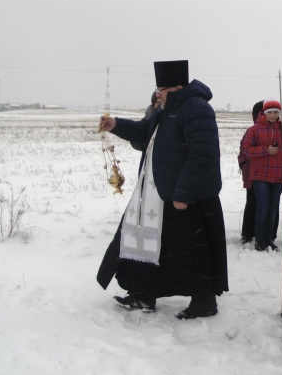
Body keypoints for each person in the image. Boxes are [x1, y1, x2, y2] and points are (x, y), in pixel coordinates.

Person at [96, 60, 228, 320]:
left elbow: (202, 155)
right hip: (158, 195)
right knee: (150, 247)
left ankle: (204, 303)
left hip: (189, 198)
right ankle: (143, 292)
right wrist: (116, 125)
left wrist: (183, 193)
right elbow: (144, 131)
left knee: (194, 253)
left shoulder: (197, 109)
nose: (158, 95)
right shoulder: (167, 110)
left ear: (178, 87)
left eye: (162, 90)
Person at [241, 97, 282, 251]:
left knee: (273, 208)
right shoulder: (255, 129)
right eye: (270, 112)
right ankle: (259, 240)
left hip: (278, 175)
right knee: (263, 207)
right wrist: (265, 150)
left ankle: (269, 238)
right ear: (264, 112)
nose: (272, 115)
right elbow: (246, 149)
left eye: (275, 112)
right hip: (260, 176)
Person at [237, 101, 264, 244]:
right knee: (253, 202)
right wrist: (243, 164)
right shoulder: (252, 131)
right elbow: (243, 151)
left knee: (259, 203)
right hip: (251, 172)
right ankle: (248, 233)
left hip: (261, 173)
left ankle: (254, 232)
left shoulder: (267, 130)